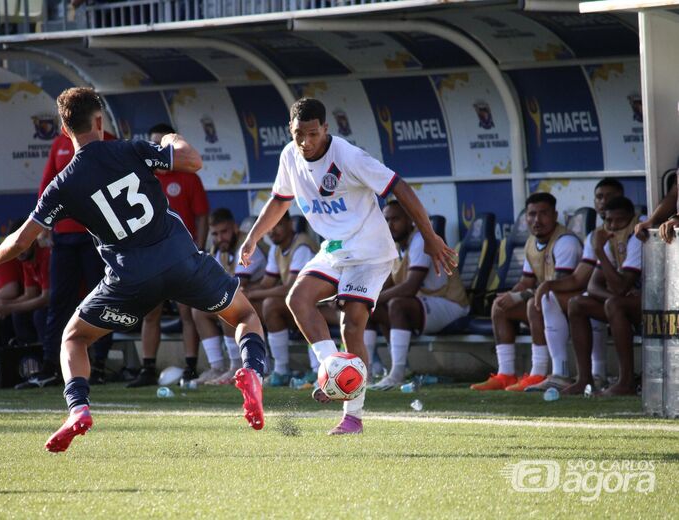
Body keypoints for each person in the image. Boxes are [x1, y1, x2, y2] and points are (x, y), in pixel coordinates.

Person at [0, 88, 268, 452]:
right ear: (101, 121)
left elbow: (23, 240)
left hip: (130, 279)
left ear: (63, 128)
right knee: (244, 313)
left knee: (73, 338)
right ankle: (252, 372)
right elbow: (193, 160)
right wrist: (170, 137)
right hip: (181, 261)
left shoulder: (63, 184)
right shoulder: (129, 148)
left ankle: (78, 408)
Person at [239, 97, 456, 435]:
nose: (306, 142)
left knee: (351, 326)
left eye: (313, 134)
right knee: (297, 299)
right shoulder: (289, 157)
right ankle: (332, 371)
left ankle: (352, 416)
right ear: (290, 131)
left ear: (325, 129)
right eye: (299, 134)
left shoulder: (349, 156)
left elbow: (398, 185)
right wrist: (253, 237)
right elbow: (279, 200)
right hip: (336, 249)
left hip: (370, 250)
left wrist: (428, 235)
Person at [21, 127, 115, 389]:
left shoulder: (109, 141)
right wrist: (43, 227)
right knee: (59, 301)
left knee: (103, 299)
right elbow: (47, 185)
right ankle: (51, 365)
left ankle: (99, 365)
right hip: (64, 236)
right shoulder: (59, 144)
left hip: (97, 235)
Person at [126, 123, 210, 388]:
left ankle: (190, 367)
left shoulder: (188, 177)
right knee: (151, 313)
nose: (157, 149)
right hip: (151, 255)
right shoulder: (141, 178)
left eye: (162, 144)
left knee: (187, 313)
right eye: (153, 144)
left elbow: (202, 216)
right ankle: (148, 368)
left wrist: (199, 247)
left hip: (183, 254)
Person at [471, 192, 582, 392]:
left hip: (570, 308)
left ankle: (538, 372)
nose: (536, 220)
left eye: (543, 214)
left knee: (535, 303)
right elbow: (526, 281)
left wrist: (520, 296)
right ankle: (505, 374)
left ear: (555, 215)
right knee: (501, 306)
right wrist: (510, 296)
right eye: (531, 214)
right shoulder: (532, 241)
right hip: (545, 303)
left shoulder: (566, 241)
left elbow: (559, 284)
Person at [530, 178, 625, 391]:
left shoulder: (639, 227)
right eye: (599, 197)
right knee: (570, 299)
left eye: (609, 196)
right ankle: (561, 373)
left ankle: (599, 372)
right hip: (611, 297)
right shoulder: (594, 236)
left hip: (634, 297)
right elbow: (578, 279)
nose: (603, 201)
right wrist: (549, 286)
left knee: (596, 299)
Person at [368, 201, 469, 391]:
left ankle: (397, 373)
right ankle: (365, 374)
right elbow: (386, 285)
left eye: (396, 219)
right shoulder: (396, 246)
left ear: (411, 220)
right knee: (368, 309)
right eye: (386, 220)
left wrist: (370, 299)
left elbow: (409, 288)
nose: (390, 225)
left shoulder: (421, 240)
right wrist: (362, 299)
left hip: (452, 304)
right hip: (424, 304)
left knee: (397, 304)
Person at [565, 196, 642, 396]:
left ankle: (625, 382)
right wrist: (613, 298)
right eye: (608, 221)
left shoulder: (638, 236)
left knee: (615, 303)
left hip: (655, 302)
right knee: (576, 303)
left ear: (632, 218)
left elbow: (621, 287)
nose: (614, 226)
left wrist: (598, 251)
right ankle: (584, 379)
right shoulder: (609, 239)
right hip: (629, 302)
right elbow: (593, 286)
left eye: (620, 220)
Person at [239, 212, 325, 387]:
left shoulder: (301, 245)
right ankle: (268, 368)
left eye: (277, 225)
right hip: (298, 304)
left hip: (323, 305)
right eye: (269, 228)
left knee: (270, 305)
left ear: (290, 224)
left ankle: (292, 369)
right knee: (244, 306)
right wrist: (243, 293)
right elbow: (266, 283)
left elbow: (291, 288)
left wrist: (254, 294)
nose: (272, 232)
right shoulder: (276, 248)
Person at [191, 208, 267, 385]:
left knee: (226, 302)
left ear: (235, 227)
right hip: (248, 300)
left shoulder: (247, 245)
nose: (220, 238)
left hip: (263, 302)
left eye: (224, 232)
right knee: (199, 311)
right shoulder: (220, 249)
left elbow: (238, 285)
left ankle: (236, 365)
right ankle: (217, 367)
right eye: (215, 234)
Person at [0, 238, 51, 346]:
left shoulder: (46, 255)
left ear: (32, 241)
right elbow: (30, 294)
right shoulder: (26, 261)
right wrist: (5, 304)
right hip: (46, 302)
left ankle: (48, 356)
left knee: (39, 315)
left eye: (20, 247)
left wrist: (9, 307)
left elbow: (46, 298)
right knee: (18, 314)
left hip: (66, 301)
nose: (18, 252)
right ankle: (26, 355)